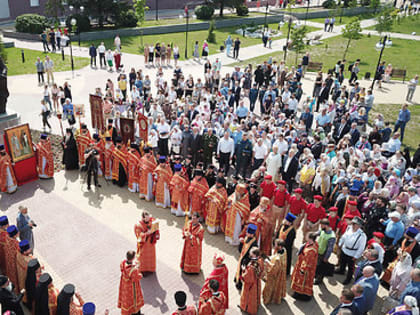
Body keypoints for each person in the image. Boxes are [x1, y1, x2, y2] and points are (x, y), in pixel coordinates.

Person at [336, 216, 367, 285]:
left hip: (352, 253)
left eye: (355, 224)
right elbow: (344, 236)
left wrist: (356, 256)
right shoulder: (349, 228)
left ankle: (348, 278)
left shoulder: (362, 235)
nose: (353, 225)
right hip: (344, 249)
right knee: (342, 261)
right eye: (353, 223)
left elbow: (361, 248)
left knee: (350, 267)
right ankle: (341, 270)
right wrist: (340, 243)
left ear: (359, 226)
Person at [291, 232, 319, 301]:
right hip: (301, 264)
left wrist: (302, 270)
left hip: (305, 269)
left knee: (302, 281)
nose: (305, 237)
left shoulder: (311, 251)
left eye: (307, 236)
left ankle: (301, 294)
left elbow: (307, 262)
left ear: (310, 239)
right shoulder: (313, 243)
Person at [117, 250, 144, 315]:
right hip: (132, 287)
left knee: (126, 299)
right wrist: (140, 273)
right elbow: (136, 278)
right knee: (134, 300)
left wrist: (134, 266)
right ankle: (135, 312)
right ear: (133, 258)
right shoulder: (133, 270)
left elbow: (123, 269)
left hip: (124, 284)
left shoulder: (122, 263)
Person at [262, 239, 287, 305]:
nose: (274, 245)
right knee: (278, 285)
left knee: (270, 286)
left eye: (275, 244)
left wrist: (267, 263)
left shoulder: (277, 259)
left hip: (275, 275)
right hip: (282, 272)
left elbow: (273, 269)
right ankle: (279, 296)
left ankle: (267, 299)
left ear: (280, 246)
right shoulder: (284, 250)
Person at [314, 218, 336, 285]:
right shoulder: (323, 230)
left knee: (321, 267)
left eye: (321, 225)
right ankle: (316, 275)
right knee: (317, 265)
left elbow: (330, 249)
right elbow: (318, 233)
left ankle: (319, 279)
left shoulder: (331, 236)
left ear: (326, 225)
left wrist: (326, 257)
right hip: (318, 251)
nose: (321, 227)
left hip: (323, 254)